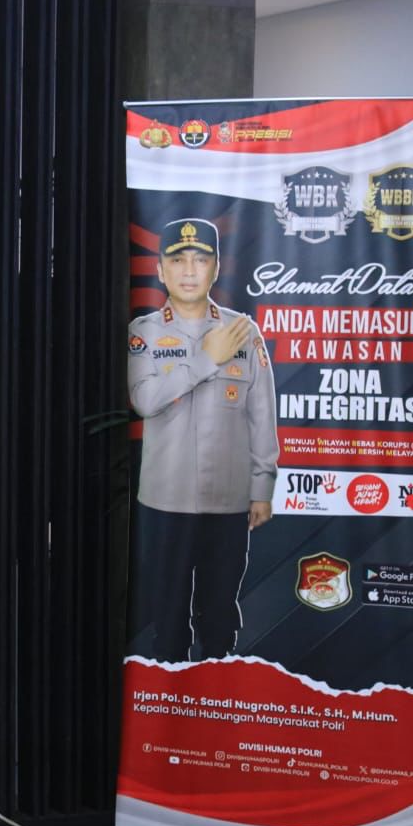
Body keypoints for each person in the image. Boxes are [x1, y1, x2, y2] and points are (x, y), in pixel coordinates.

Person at [128, 217, 278, 662]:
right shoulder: (143, 332)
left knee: (220, 613)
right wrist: (205, 359)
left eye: (201, 259)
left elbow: (262, 413)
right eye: (178, 260)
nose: (190, 270)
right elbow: (144, 400)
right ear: (161, 269)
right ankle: (169, 690)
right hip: (165, 502)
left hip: (228, 501)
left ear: (216, 268)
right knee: (167, 614)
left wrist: (262, 487)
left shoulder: (243, 332)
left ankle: (217, 687)